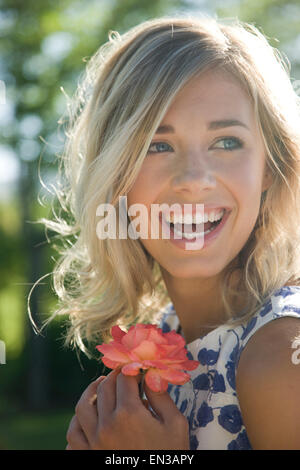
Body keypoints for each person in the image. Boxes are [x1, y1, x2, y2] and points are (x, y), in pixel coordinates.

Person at [38, 15, 300, 450]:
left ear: (269, 169)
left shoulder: (280, 356)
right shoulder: (169, 334)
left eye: (227, 142)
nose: (194, 179)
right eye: (157, 146)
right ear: (116, 174)